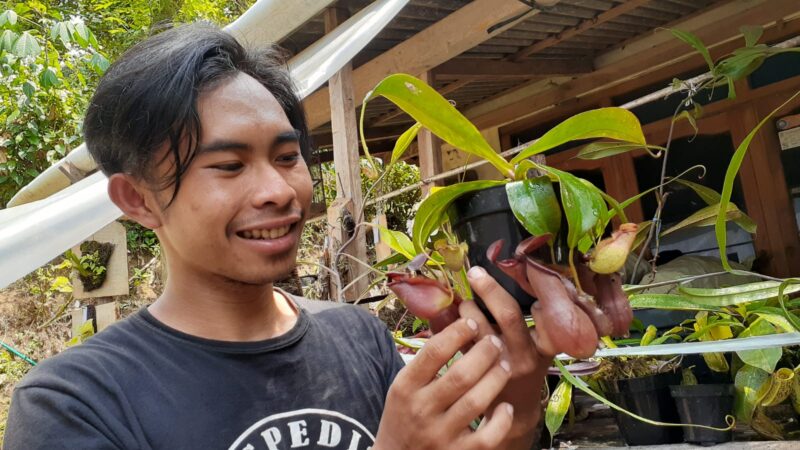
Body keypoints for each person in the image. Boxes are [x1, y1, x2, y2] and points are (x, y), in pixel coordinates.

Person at [5, 22, 588, 449]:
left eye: (287, 157)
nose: (278, 191)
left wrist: (517, 399)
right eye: (228, 166)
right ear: (138, 199)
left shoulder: (360, 338)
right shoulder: (77, 401)